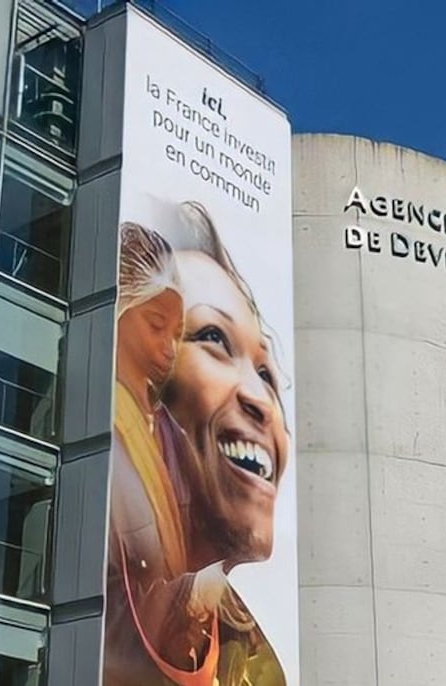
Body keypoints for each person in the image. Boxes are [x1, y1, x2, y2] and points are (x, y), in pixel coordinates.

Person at [157, 200, 289, 685]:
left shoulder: (252, 663)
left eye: (265, 372)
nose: (262, 399)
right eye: (214, 337)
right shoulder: (98, 619)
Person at [105, 223, 229, 686]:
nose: (167, 349)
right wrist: (193, 593)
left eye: (175, 333)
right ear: (116, 310)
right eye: (155, 326)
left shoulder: (172, 436)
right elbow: (98, 599)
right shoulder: (95, 429)